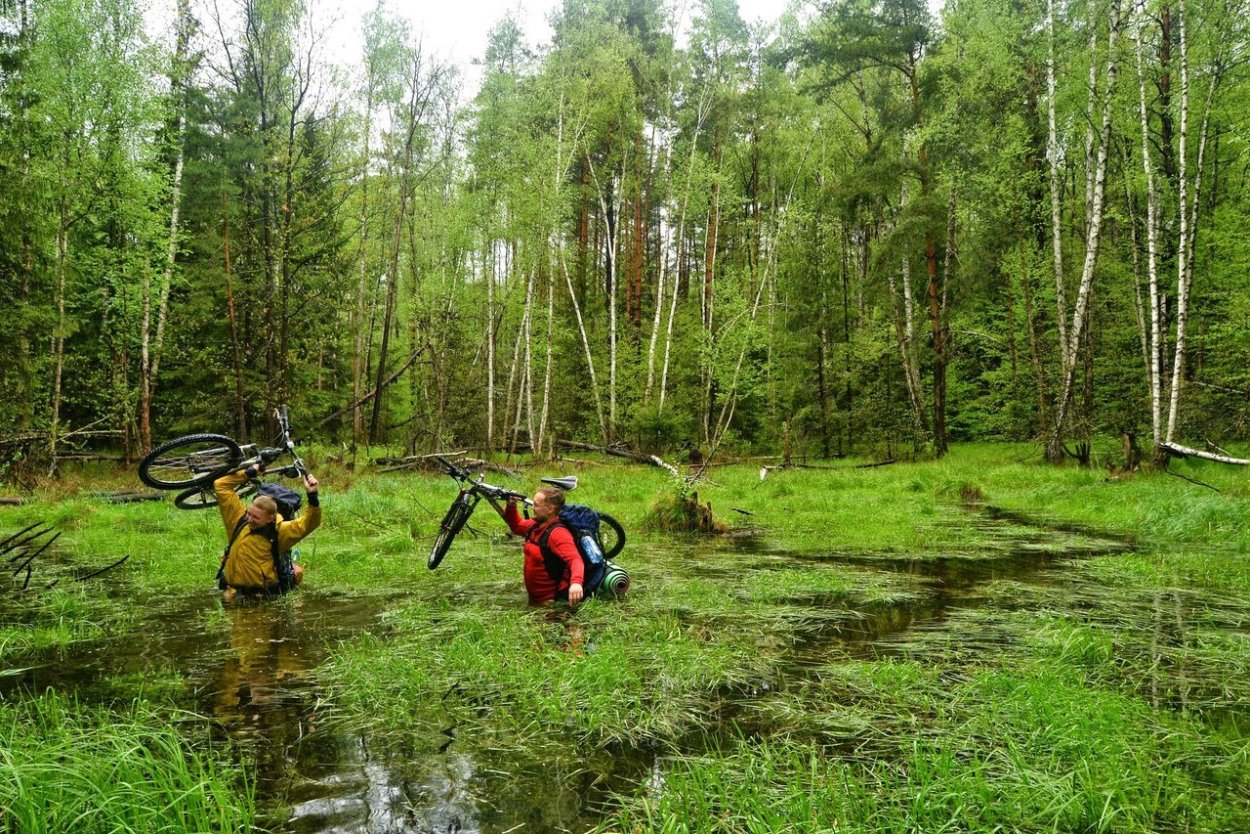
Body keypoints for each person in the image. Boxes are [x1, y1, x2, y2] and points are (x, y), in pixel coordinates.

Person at [214, 461, 321, 600]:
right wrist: (250, 472)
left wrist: (312, 496)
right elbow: (221, 486)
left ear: (270, 518)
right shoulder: (238, 519)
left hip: (261, 599)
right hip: (232, 594)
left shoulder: (280, 531)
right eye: (249, 513)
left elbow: (310, 523)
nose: (250, 519)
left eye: (256, 518)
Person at [503, 486, 583, 606]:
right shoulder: (535, 525)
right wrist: (511, 505)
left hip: (550, 604)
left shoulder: (558, 534)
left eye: (536, 505)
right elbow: (517, 526)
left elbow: (575, 560)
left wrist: (576, 583)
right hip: (535, 600)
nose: (532, 507)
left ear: (550, 509)